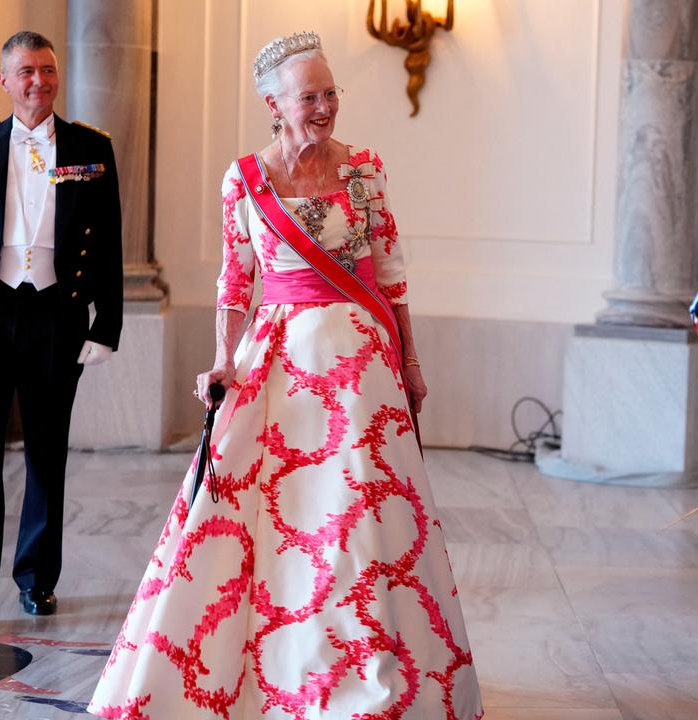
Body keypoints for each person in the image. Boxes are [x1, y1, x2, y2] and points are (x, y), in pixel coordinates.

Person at [88, 32, 481, 719]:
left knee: (358, 517)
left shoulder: (365, 169)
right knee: (268, 513)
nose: (325, 107)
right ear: (274, 104)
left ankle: (365, 673)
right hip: (279, 366)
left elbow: (391, 274)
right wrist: (219, 358)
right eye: (310, 96)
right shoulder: (244, 178)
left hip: (362, 371)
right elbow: (236, 281)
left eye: (332, 93)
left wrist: (410, 362)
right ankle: (261, 675)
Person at [0, 30, 122, 620]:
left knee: (45, 452)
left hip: (55, 313)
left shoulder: (91, 148)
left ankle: (37, 578)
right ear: (5, 81)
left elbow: (111, 240)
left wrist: (105, 324)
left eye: (48, 70)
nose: (39, 81)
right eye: (27, 71)